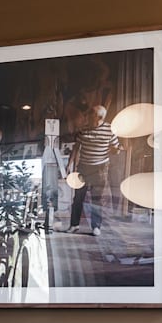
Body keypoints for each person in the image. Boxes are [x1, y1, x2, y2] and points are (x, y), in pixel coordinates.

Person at [70, 100, 118, 234]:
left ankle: (96, 227)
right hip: (83, 167)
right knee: (78, 197)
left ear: (99, 117)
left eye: (91, 114)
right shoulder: (83, 129)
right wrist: (70, 164)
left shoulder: (109, 130)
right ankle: (74, 225)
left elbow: (116, 147)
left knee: (97, 198)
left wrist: (117, 149)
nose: (88, 116)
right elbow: (76, 148)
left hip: (100, 168)